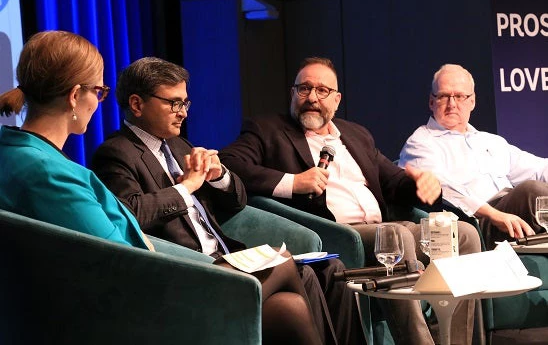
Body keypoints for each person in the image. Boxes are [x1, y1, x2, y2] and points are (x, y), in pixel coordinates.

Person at [0, 31, 325, 345]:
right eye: (98, 92)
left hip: (146, 280)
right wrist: (186, 196)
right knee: (281, 262)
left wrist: (214, 175)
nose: (98, 102)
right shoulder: (52, 172)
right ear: (74, 96)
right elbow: (119, 257)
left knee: (288, 308)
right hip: (140, 302)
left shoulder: (15, 152)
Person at [90, 56, 365, 345]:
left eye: (186, 103)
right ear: (136, 104)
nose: (183, 113)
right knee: (289, 271)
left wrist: (219, 174)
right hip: (192, 268)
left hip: (227, 256)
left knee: (326, 275)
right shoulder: (116, 154)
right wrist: (186, 187)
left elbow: (237, 202)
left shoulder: (178, 144)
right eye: (174, 103)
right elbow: (129, 215)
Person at [220, 56, 482, 345]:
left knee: (465, 234)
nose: (311, 98)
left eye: (322, 91)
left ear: (336, 99)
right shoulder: (267, 129)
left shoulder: (356, 134)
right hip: (336, 232)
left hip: (385, 226)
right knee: (395, 235)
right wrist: (293, 182)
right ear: (292, 93)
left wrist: (419, 183)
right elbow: (231, 163)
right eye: (304, 89)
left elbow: (393, 181)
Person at [398, 63, 543, 250]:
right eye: (443, 96)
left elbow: (537, 169)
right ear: (431, 102)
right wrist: (493, 214)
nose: (452, 104)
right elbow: (441, 188)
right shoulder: (421, 142)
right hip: (473, 224)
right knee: (532, 192)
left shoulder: (491, 141)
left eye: (459, 96)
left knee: (538, 189)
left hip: (513, 215)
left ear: (472, 101)